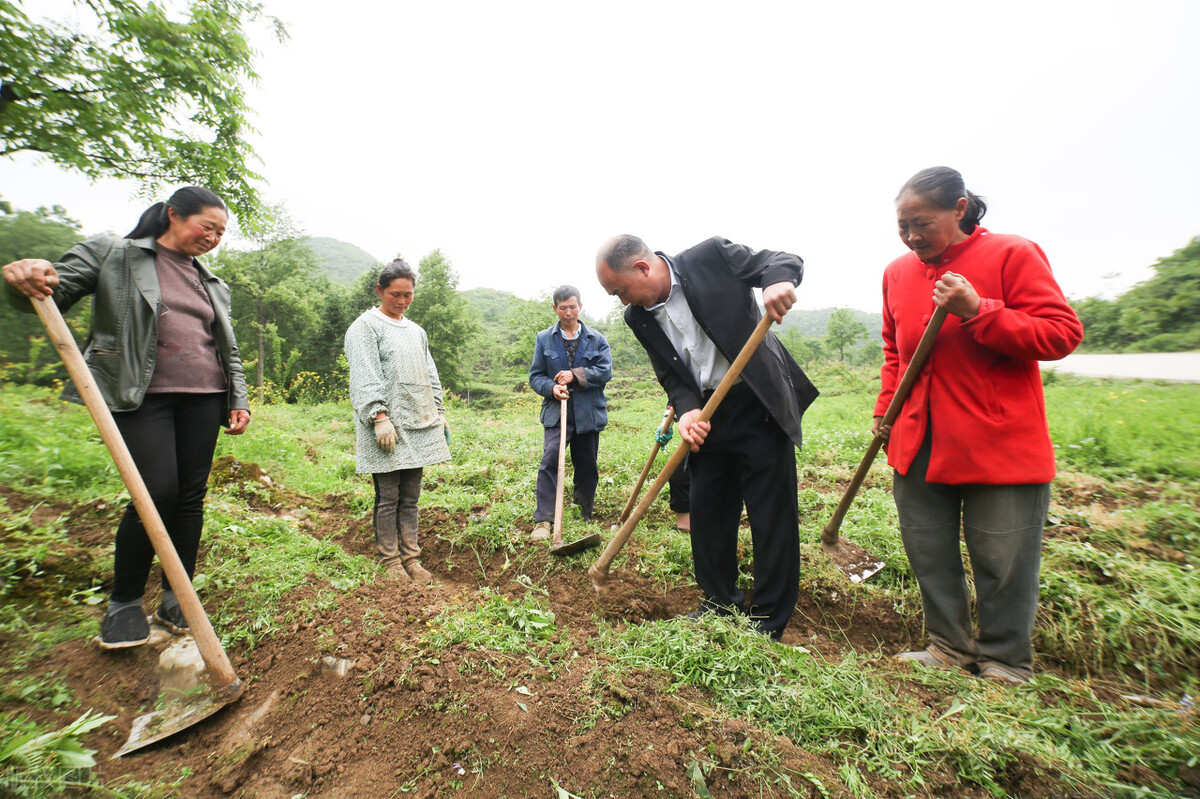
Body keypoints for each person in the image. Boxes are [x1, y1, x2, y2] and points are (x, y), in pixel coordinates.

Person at [2, 186, 251, 649]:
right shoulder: (114, 254)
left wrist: (239, 397)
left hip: (204, 395)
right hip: (140, 396)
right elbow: (48, 293)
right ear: (174, 216)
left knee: (190, 497)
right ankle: (125, 601)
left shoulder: (212, 283)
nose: (213, 237)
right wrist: (25, 277)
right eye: (207, 226)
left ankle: (179, 595)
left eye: (221, 232)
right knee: (155, 490)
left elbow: (227, 348)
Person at [876, 166, 1083, 684]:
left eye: (921, 223)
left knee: (1003, 557)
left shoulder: (1012, 254)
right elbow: (894, 355)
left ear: (960, 209)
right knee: (928, 548)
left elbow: (1060, 334)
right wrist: (885, 415)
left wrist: (978, 309)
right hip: (917, 438)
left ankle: (1006, 661)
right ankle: (947, 645)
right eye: (903, 226)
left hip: (997, 440)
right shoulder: (897, 273)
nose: (911, 236)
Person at [595, 235, 818, 640]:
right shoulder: (639, 318)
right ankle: (719, 603)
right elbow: (670, 373)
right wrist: (687, 410)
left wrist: (777, 282)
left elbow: (780, 260)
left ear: (642, 268)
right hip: (709, 414)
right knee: (709, 510)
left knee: (771, 515)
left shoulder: (710, 257)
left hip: (757, 403)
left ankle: (767, 619)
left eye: (621, 291)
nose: (623, 302)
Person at [344, 259, 450, 582]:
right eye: (395, 294)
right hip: (387, 427)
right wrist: (378, 416)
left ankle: (412, 558)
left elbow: (430, 374)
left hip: (417, 423)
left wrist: (440, 412)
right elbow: (364, 374)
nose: (402, 301)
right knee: (388, 496)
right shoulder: (366, 326)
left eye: (408, 295)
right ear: (380, 290)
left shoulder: (417, 332)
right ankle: (390, 561)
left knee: (411, 497)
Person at [528, 286, 612, 541]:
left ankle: (582, 514)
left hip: (588, 413)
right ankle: (544, 519)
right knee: (550, 461)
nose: (568, 312)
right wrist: (552, 388)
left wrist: (575, 374)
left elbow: (605, 371)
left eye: (572, 306)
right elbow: (535, 376)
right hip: (558, 412)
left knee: (587, 465)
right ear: (555, 309)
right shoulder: (544, 338)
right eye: (562, 307)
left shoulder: (597, 339)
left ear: (580, 307)